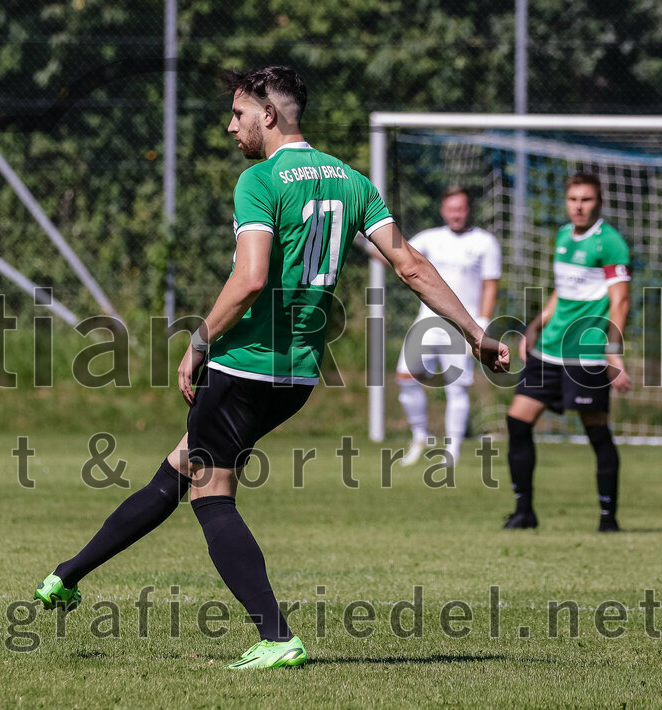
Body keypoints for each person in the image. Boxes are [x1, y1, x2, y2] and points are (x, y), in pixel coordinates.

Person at [33, 65, 509, 669]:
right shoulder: (352, 181)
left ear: (269, 114)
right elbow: (410, 265)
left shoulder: (260, 181)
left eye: (238, 114)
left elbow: (251, 278)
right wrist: (476, 333)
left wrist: (199, 340)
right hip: (298, 374)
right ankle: (67, 576)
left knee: (210, 492)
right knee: (183, 466)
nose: (230, 127)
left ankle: (278, 637)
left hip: (245, 364)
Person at [503, 172, 631, 532]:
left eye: (586, 200)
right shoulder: (562, 236)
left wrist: (613, 352)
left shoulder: (611, 243)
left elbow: (620, 300)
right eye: (573, 199)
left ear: (599, 202)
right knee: (517, 421)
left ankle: (608, 517)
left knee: (597, 433)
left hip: (585, 355)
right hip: (548, 351)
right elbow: (562, 292)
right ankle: (524, 512)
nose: (579, 206)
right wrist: (534, 326)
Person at [377, 187, 501, 466]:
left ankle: (453, 448)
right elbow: (393, 255)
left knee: (456, 388)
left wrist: (481, 324)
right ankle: (420, 437)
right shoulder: (430, 238)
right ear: (443, 210)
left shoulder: (485, 243)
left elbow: (490, 285)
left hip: (461, 328)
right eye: (451, 208)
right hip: (427, 324)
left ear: (469, 210)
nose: (456, 214)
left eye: (461, 208)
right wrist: (360, 240)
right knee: (405, 378)